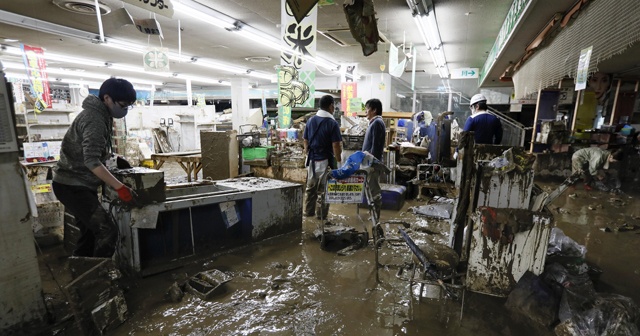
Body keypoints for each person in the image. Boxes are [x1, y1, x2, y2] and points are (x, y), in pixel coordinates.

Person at [53, 78, 137, 258]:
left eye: (128, 106)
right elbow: (91, 161)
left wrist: (113, 158)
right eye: (123, 105)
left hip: (77, 183)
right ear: (107, 98)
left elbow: (93, 152)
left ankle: (83, 272)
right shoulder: (95, 119)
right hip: (72, 185)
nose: (125, 110)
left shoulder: (101, 115)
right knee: (107, 232)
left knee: (90, 232)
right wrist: (120, 187)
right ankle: (98, 276)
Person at [303, 95, 342, 219]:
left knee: (310, 188)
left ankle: (308, 212)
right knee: (324, 191)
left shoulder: (310, 120)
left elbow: (305, 139)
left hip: (312, 161)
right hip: (326, 161)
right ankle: (321, 216)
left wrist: (306, 151)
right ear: (331, 106)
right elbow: (336, 145)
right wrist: (339, 162)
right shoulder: (332, 123)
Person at [361, 98, 385, 219]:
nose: (366, 112)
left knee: (374, 190)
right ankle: (373, 214)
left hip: (372, 164)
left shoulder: (377, 123)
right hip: (370, 162)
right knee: (371, 189)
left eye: (367, 109)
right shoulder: (374, 123)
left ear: (374, 110)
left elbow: (376, 147)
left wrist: (371, 163)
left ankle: (376, 216)